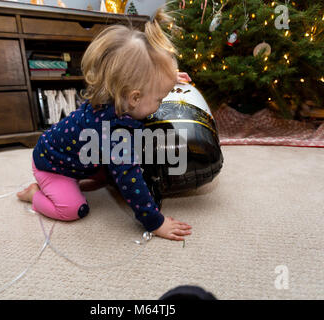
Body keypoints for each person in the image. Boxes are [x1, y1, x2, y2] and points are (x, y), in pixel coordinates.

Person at [17, 7, 192, 241]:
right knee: (74, 209)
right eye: (159, 98)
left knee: (110, 169)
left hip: (81, 156)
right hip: (51, 166)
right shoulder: (114, 132)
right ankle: (34, 195)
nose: (160, 104)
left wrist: (167, 81)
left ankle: (87, 175)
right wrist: (155, 222)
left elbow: (147, 76)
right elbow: (131, 181)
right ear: (134, 97)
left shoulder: (116, 95)